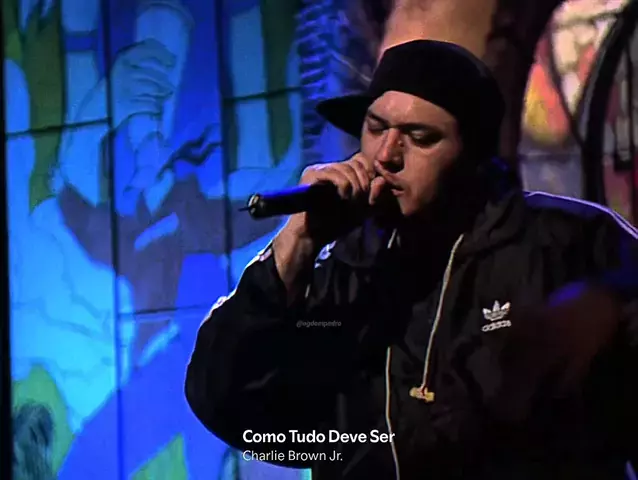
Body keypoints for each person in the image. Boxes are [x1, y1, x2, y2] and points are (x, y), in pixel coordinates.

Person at [185, 39, 638, 479]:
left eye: (420, 138)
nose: (386, 156)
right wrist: (298, 240)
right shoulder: (340, 272)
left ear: (474, 156)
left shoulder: (567, 244)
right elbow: (226, 403)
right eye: (375, 128)